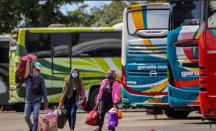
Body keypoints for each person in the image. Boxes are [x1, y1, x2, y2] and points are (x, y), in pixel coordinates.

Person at [23, 62, 49, 131]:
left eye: (39, 70)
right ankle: (31, 127)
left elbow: (44, 90)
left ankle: (34, 130)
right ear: (33, 68)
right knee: (26, 117)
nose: (37, 71)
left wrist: (46, 103)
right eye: (36, 69)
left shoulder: (41, 79)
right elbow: (17, 80)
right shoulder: (27, 77)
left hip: (37, 100)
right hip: (28, 100)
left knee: (35, 117)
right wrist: (18, 71)